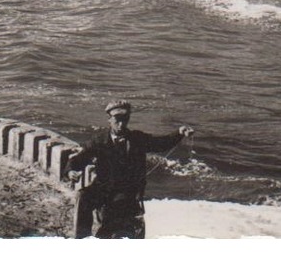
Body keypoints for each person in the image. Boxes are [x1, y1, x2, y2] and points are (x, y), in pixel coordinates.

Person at [68, 100, 193, 238]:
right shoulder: (99, 141)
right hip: (102, 187)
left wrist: (179, 133)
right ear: (109, 119)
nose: (121, 124)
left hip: (126, 190)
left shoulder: (137, 139)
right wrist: (71, 171)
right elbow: (78, 159)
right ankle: (81, 238)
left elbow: (161, 143)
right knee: (84, 197)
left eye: (125, 120)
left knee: (114, 215)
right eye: (117, 120)